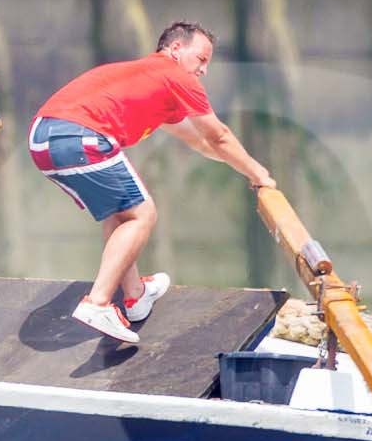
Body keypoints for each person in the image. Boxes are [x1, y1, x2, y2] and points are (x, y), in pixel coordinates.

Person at [30, 22, 274, 345]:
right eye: (201, 59)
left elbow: (204, 144)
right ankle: (98, 302)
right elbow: (219, 135)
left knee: (120, 213)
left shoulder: (153, 84)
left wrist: (242, 168)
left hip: (42, 139)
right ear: (175, 49)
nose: (203, 70)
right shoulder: (176, 76)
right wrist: (259, 174)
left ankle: (135, 296)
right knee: (143, 213)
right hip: (79, 134)